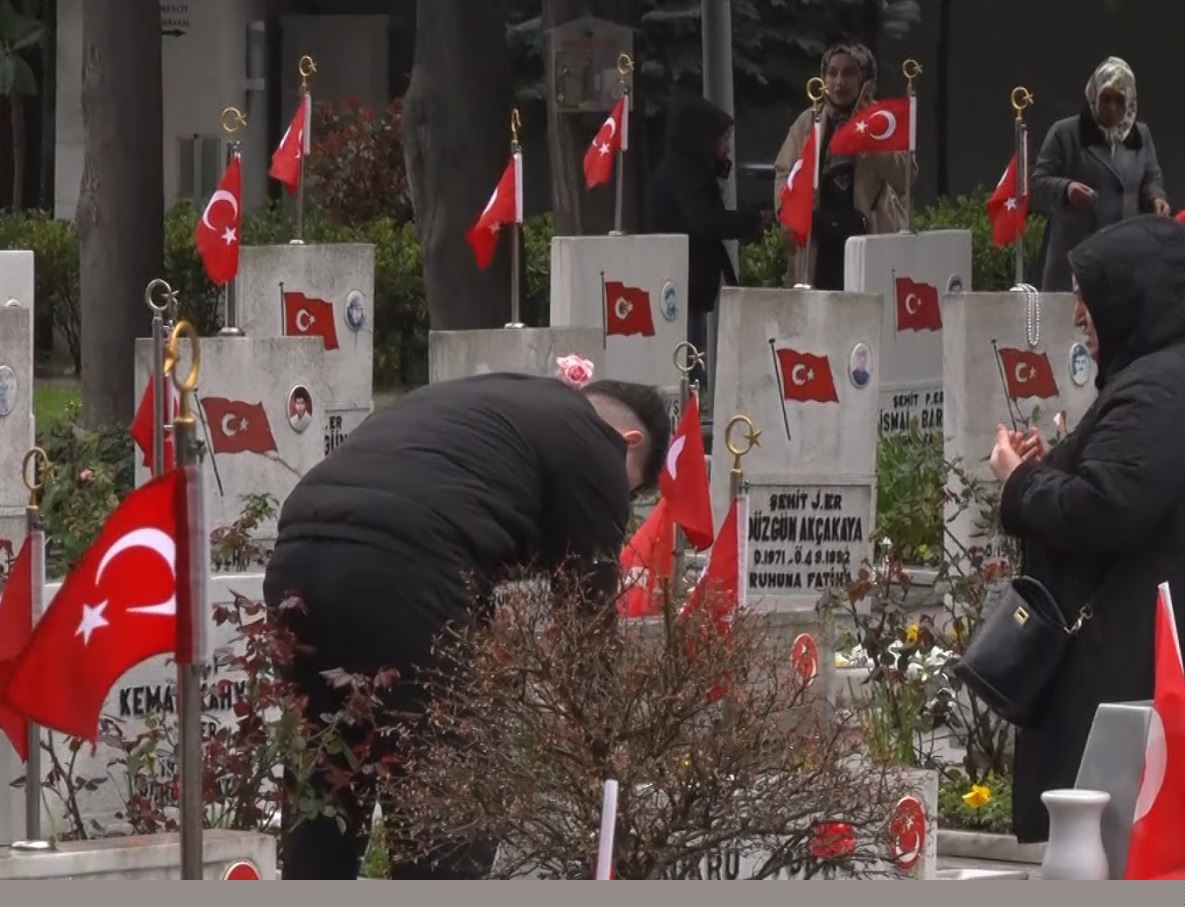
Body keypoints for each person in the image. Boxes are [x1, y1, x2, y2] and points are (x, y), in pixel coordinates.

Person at [261, 371, 671, 879]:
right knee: (451, 801)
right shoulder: (598, 446)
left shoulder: (492, 400)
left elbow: (457, 522)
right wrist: (606, 748)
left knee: (326, 783)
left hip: (298, 555)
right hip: (402, 570)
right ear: (629, 444)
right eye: (629, 492)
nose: (618, 501)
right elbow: (584, 627)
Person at [987, 215, 1185, 843]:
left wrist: (1018, 483)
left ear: (1131, 296)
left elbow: (1106, 506)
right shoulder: (1178, 374)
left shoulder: (1158, 386)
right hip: (1163, 650)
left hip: (1136, 666)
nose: (1080, 316)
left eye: (1090, 296)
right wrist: (1050, 465)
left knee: (1119, 852)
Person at [643, 94, 770, 390]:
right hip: (681, 285)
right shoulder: (685, 174)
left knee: (692, 357)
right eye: (722, 139)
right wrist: (752, 221)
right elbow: (705, 220)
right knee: (688, 363)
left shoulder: (683, 170)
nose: (727, 148)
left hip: (686, 284)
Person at [772, 42, 911, 289]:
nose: (838, 82)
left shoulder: (881, 120)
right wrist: (787, 217)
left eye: (848, 73)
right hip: (818, 242)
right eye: (832, 73)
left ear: (865, 79)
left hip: (868, 236)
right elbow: (786, 171)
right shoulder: (809, 120)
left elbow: (906, 177)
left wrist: (869, 140)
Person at [1030, 57, 1171, 293]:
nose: (1112, 107)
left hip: (1126, 255)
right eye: (1106, 98)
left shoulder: (1140, 135)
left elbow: (1151, 177)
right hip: (1076, 255)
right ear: (1094, 95)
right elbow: (1037, 182)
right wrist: (1067, 189)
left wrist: (1156, 197)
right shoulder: (1066, 133)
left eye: (1120, 100)